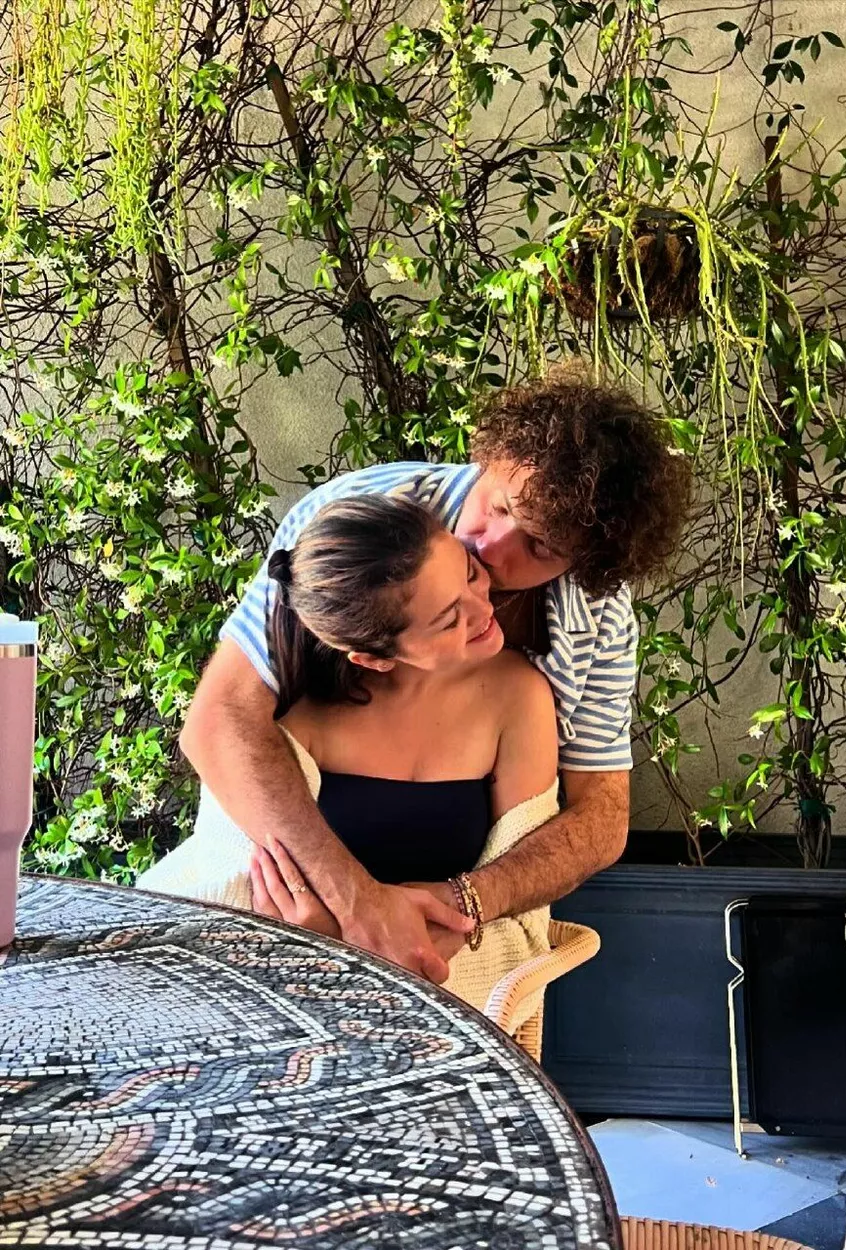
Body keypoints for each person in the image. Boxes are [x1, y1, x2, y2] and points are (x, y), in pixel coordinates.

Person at [179, 362, 689, 983]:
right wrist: (357, 909)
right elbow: (220, 720)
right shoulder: (349, 521)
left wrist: (458, 907)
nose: (491, 548)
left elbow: (602, 816)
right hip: (285, 905)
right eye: (498, 506)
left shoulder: (595, 619)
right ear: (490, 456)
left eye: (540, 547)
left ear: (584, 563)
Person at [140, 495, 561, 1021]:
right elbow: (226, 889)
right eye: (449, 620)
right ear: (374, 658)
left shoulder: (518, 697)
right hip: (262, 1013)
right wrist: (333, 945)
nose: (484, 608)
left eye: (471, 574)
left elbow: (523, 920)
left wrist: (349, 945)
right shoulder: (287, 715)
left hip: (436, 1019)